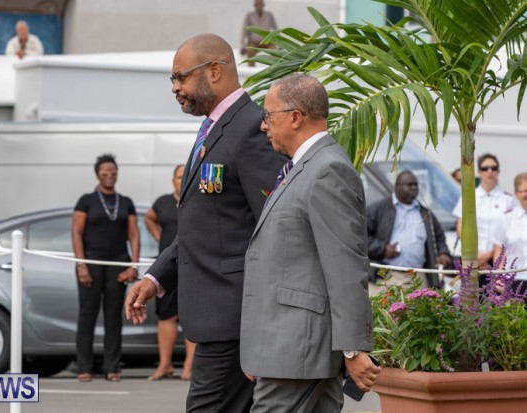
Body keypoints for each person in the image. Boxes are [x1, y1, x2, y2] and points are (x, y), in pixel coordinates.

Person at [125, 33, 286, 412]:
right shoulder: (215, 128)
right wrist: (155, 278)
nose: (175, 88)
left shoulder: (251, 128)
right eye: (173, 80)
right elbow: (204, 224)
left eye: (180, 77)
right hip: (217, 321)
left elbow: (276, 228)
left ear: (214, 71)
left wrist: (261, 327)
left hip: (235, 322)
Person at [240, 74, 380, 412]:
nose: (263, 125)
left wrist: (353, 349)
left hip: (298, 347)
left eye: (268, 115)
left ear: (295, 117)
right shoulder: (305, 167)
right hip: (294, 347)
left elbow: (346, 266)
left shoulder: (327, 170)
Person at [71, 154, 140, 383]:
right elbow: (76, 233)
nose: (109, 175)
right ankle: (84, 367)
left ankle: (112, 367)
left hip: (117, 263)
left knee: (114, 315)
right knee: (87, 314)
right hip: (91, 263)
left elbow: (134, 235)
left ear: (117, 173)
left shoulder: (126, 202)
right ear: (97, 175)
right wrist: (81, 264)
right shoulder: (86, 201)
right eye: (104, 172)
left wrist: (133, 265)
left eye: (112, 172)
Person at [144, 164, 196, 381]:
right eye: (178, 177)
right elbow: (149, 218)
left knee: (191, 315)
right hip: (168, 267)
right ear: (172, 179)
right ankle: (164, 365)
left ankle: (189, 367)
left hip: (193, 265)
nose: (181, 180)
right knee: (166, 315)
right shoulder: (163, 202)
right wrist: (159, 238)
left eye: (185, 176)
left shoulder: (196, 197)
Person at [367, 171, 453, 295]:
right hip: (386, 276)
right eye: (409, 184)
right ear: (397, 186)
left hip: (417, 278)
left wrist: (443, 253)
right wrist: (383, 249)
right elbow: (360, 238)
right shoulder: (378, 209)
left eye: (416, 184)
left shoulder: (425, 213)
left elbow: (439, 237)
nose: (414, 187)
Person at [453, 153, 517, 269]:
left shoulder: (508, 200)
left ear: (498, 171)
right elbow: (460, 226)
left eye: (493, 168)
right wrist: (474, 254)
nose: (489, 171)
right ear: (479, 171)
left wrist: (488, 255)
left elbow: (509, 232)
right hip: (470, 258)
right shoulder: (468, 196)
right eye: (485, 168)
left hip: (498, 259)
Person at [492, 172, 527, 292]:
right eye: (525, 191)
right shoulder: (507, 218)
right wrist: (498, 278)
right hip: (514, 280)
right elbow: (499, 250)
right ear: (516, 194)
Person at [240, 0, 277, 66]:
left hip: (267, 42)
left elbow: (275, 29)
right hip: (254, 42)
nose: (259, 6)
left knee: (275, 52)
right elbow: (245, 30)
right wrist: (243, 45)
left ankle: (274, 69)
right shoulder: (249, 15)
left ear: (263, 5)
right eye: (257, 4)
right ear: (254, 5)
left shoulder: (269, 15)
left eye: (260, 4)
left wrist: (278, 44)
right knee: (250, 51)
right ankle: (251, 70)